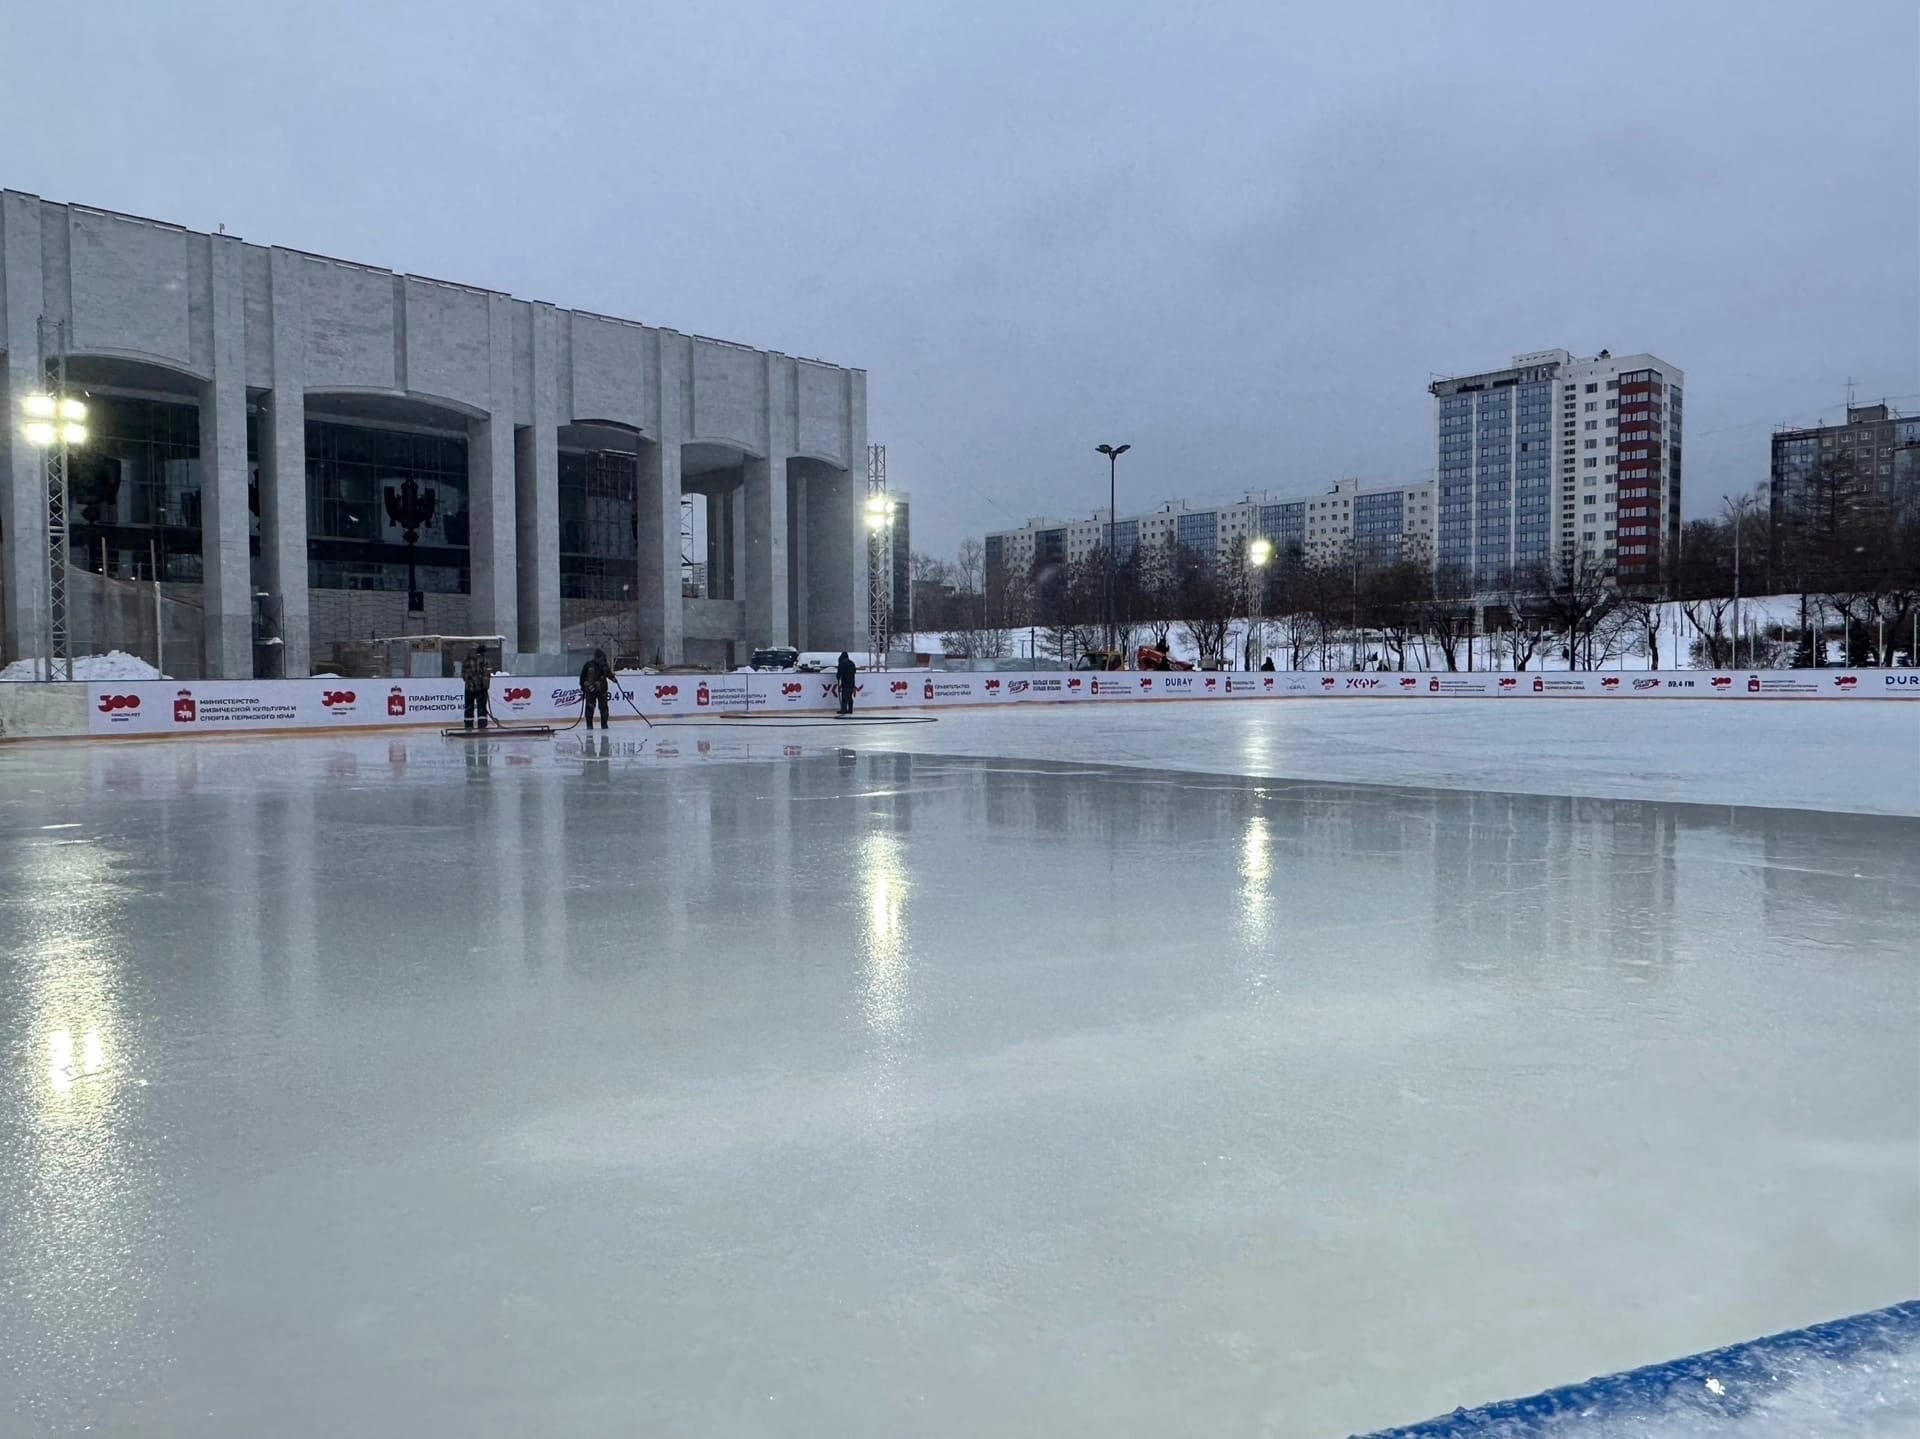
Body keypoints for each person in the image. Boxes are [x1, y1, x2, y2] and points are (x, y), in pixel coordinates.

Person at [579, 648, 613, 729]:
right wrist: (583, 687)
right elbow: (582, 677)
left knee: (603, 708)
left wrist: (613, 678)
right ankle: (589, 725)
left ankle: (604, 724)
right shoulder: (588, 665)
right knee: (590, 707)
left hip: (602, 689)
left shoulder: (604, 665)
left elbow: (608, 673)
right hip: (591, 689)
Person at [462, 645, 493, 731]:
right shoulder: (484, 660)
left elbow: (463, 675)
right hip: (481, 688)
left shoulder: (466, 660)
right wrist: (485, 686)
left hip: (469, 687)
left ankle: (468, 726)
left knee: (468, 707)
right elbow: (486, 674)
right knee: (482, 707)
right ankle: (482, 726)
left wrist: (469, 681)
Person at [835, 651, 857, 716]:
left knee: (844, 696)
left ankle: (844, 709)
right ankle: (850, 709)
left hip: (845, 681)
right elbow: (854, 672)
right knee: (849, 696)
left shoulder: (842, 663)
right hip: (852, 681)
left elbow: (839, 673)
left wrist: (838, 677)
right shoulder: (852, 663)